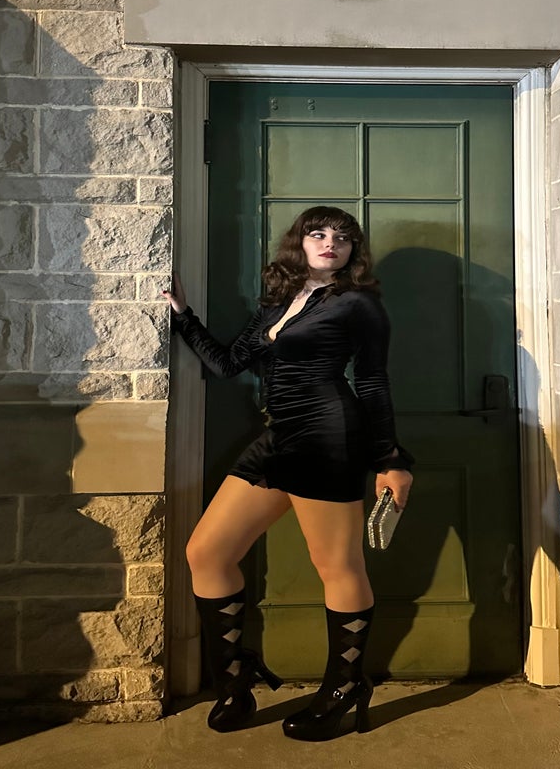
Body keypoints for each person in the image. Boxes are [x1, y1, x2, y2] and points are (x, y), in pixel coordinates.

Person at [163, 206, 414, 741]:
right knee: (206, 553)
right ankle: (234, 680)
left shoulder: (360, 304)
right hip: (278, 438)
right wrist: (182, 315)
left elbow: (372, 383)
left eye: (343, 238)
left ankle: (345, 687)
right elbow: (228, 364)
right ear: (298, 243)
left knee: (339, 567)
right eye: (318, 234)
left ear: (353, 250)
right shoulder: (279, 300)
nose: (331, 244)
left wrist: (390, 459)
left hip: (329, 437)